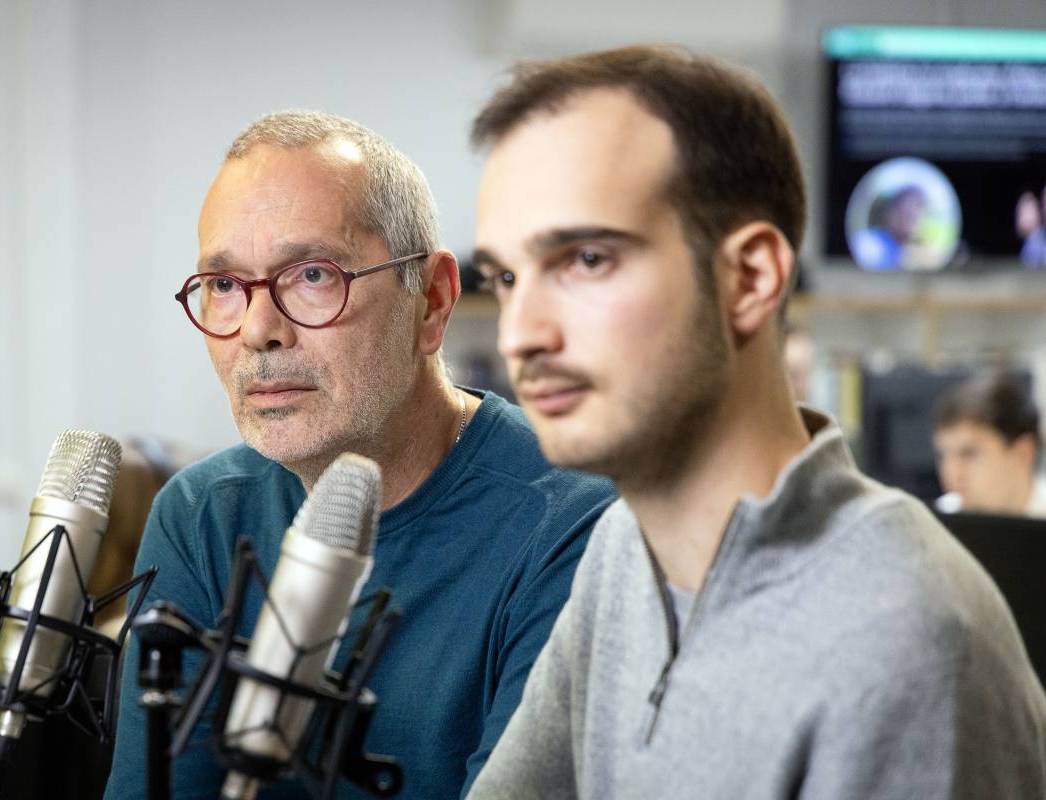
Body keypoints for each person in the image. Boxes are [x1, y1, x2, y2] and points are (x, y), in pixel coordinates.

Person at [466, 44, 1046, 798]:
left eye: (586, 260)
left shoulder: (906, 637)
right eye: (506, 278)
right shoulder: (622, 547)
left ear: (750, 278)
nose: (520, 334)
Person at [103, 111, 615, 800]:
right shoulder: (200, 514)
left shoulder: (575, 522)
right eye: (224, 286)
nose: (259, 331)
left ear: (431, 301)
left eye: (311, 274)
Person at [932, 370, 1046, 517]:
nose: (952, 473)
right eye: (943, 456)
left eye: (969, 454)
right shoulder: (933, 524)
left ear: (1023, 453)